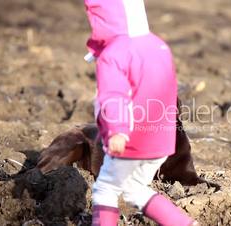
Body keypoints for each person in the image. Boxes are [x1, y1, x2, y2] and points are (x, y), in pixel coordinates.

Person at [83, 0, 198, 225]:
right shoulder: (158, 46)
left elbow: (114, 95)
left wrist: (118, 131)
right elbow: (166, 90)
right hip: (161, 142)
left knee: (105, 189)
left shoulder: (113, 54)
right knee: (135, 190)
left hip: (131, 140)